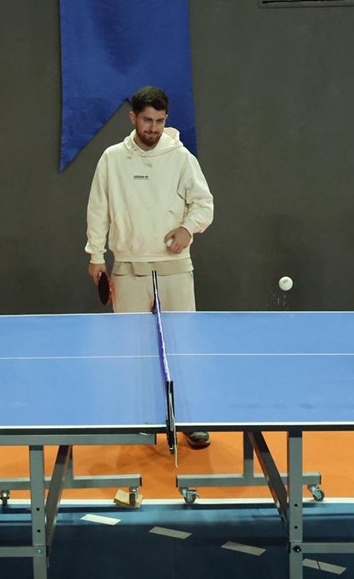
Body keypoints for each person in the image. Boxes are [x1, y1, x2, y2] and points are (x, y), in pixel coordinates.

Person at [86, 86, 215, 449]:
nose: (153, 128)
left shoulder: (181, 157)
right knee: (131, 351)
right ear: (133, 118)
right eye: (147, 120)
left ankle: (190, 421)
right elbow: (98, 210)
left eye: (159, 121)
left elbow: (204, 204)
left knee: (183, 348)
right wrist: (96, 256)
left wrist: (187, 229)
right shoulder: (112, 158)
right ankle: (139, 421)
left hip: (175, 268)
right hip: (128, 268)